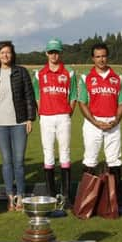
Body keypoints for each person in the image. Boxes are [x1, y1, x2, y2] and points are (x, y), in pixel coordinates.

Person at [0, 41, 37, 212]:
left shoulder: (21, 72)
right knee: (7, 161)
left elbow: (29, 96)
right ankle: (9, 197)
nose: (5, 55)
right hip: (0, 124)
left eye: (8, 52)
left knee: (19, 161)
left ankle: (20, 196)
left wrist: (30, 119)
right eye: (2, 53)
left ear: (12, 54)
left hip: (19, 123)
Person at [77, 42, 122, 206]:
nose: (101, 59)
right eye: (98, 56)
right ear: (93, 58)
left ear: (108, 57)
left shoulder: (117, 78)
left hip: (112, 124)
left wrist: (115, 120)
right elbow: (82, 103)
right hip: (93, 123)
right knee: (90, 160)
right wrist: (95, 121)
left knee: (114, 160)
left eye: (104, 56)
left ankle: (116, 199)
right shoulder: (86, 78)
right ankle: (87, 200)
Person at [33, 38, 77, 205]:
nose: (54, 55)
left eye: (56, 52)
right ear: (46, 53)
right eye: (51, 52)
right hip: (46, 117)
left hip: (63, 116)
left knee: (65, 152)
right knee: (48, 153)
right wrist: (42, 112)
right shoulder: (39, 74)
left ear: (60, 53)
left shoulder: (69, 72)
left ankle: (66, 196)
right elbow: (37, 96)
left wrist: (68, 111)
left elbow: (72, 95)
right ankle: (51, 195)